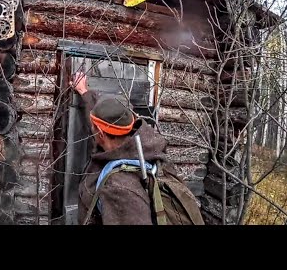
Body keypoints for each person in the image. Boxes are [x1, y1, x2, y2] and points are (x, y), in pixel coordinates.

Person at [70, 71, 198, 225]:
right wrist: (84, 92)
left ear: (101, 133)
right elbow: (107, 119)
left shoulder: (120, 189)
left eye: (93, 127)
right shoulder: (142, 147)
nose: (92, 130)